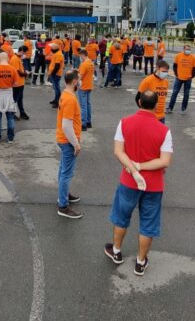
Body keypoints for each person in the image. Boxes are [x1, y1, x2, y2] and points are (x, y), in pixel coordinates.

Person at [105, 90, 173, 276]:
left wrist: (134, 170)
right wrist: (142, 166)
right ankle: (141, 261)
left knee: (121, 216)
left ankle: (117, 251)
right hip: (154, 184)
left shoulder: (125, 122)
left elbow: (118, 152)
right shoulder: (164, 130)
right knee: (148, 224)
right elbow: (165, 161)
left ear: (139, 103)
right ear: (156, 105)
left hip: (128, 181)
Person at [56, 69, 83, 219]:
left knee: (63, 170)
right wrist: (76, 144)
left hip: (64, 139)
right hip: (67, 141)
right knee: (66, 173)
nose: (80, 81)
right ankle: (63, 206)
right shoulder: (70, 99)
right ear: (74, 81)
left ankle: (63, 195)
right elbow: (67, 125)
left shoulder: (65, 94)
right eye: (79, 79)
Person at [137, 60, 170, 124]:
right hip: (150, 117)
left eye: (166, 72)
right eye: (163, 71)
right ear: (157, 68)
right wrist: (145, 112)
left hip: (161, 117)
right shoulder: (147, 80)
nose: (165, 73)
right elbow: (137, 98)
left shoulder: (166, 82)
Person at [167, 44, 195, 114]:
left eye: (189, 49)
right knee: (174, 93)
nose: (188, 51)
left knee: (186, 94)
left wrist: (192, 76)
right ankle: (170, 108)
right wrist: (176, 74)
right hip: (179, 78)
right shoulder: (178, 56)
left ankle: (183, 109)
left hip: (188, 79)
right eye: (187, 49)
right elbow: (175, 66)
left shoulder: (193, 57)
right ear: (183, 49)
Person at [77, 48, 94, 130]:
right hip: (89, 85)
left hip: (83, 86)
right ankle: (88, 122)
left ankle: (83, 124)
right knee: (88, 104)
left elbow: (80, 76)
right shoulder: (90, 63)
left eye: (80, 56)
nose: (80, 57)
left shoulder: (83, 64)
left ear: (83, 55)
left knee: (83, 106)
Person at [11, 46, 29, 120]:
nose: (25, 54)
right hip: (17, 83)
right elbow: (17, 72)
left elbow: (20, 70)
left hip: (20, 82)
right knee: (15, 99)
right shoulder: (15, 59)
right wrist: (25, 74)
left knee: (19, 98)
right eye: (24, 52)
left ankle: (22, 112)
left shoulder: (18, 58)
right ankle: (12, 114)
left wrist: (24, 72)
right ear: (21, 51)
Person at [48, 42, 65, 108]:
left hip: (56, 74)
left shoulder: (59, 55)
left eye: (52, 48)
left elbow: (57, 66)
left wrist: (52, 74)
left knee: (57, 88)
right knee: (55, 87)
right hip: (54, 74)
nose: (51, 49)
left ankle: (58, 102)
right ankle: (55, 100)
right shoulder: (56, 54)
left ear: (55, 48)